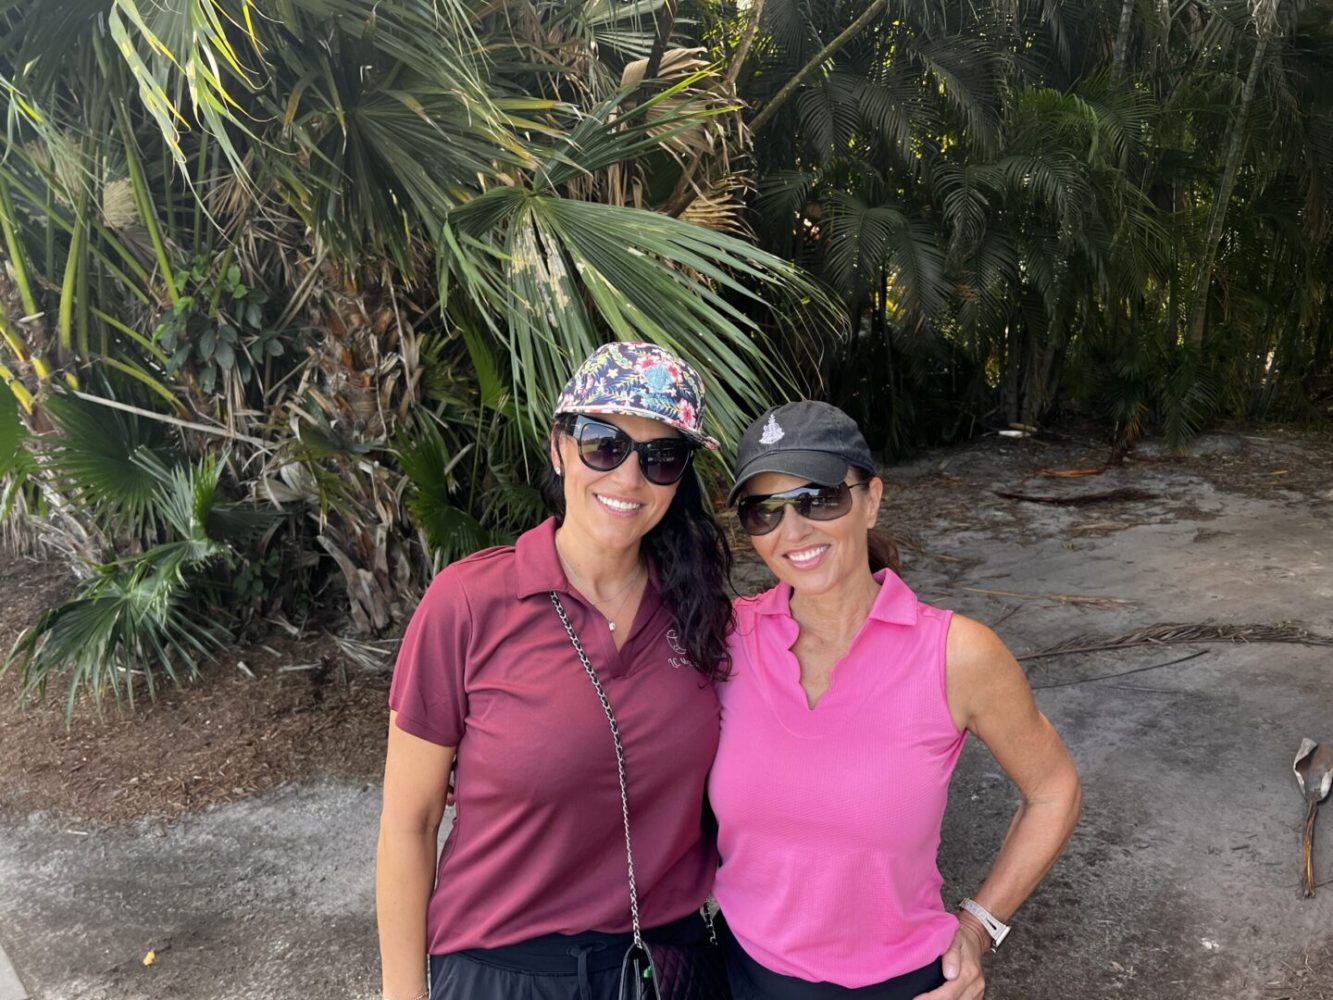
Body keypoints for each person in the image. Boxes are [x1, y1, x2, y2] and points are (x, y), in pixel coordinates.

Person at [376, 342, 734, 1000]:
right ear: (559, 448)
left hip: (665, 966)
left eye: (660, 457)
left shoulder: (702, 610)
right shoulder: (468, 603)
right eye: (604, 443)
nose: (628, 478)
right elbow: (409, 823)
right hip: (505, 968)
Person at [709, 401, 1082, 1000]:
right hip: (739, 974)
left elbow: (1054, 790)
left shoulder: (957, 654)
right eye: (765, 511)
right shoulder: (726, 639)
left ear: (872, 499)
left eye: (819, 498)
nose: (793, 530)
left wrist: (980, 925)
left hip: (897, 984)